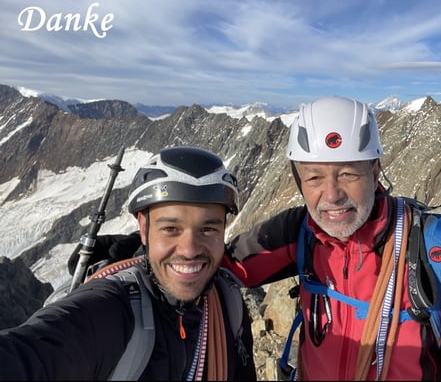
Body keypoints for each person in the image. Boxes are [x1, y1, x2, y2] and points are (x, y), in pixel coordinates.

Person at [222, 96, 441, 380]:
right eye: (314, 178)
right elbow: (217, 266)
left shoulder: (436, 251)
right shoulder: (300, 231)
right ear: (299, 181)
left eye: (348, 174)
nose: (332, 195)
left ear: (374, 173)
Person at [0, 145, 256, 380]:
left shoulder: (229, 306)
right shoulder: (111, 309)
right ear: (143, 229)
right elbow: (35, 352)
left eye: (208, 230)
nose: (189, 250)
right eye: (170, 228)